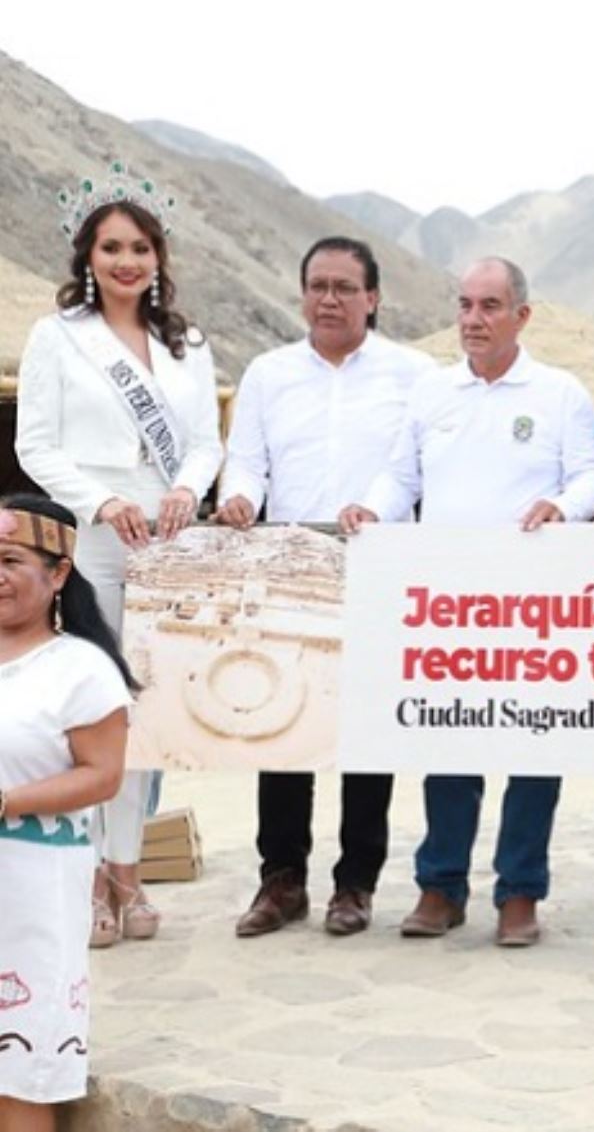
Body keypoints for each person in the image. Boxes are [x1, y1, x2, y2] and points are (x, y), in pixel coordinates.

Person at [339, 258, 594, 947]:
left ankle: (520, 894)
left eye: (489, 305)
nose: (473, 319)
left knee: (533, 744)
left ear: (523, 315)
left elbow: (588, 479)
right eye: (464, 305)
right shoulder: (433, 391)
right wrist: (371, 510)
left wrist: (564, 506)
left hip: (536, 605)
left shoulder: (561, 392)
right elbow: (401, 476)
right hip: (449, 604)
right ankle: (440, 885)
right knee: (448, 737)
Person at [14, 166, 223, 948]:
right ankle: (93, 875)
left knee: (152, 710)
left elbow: (204, 440)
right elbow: (35, 442)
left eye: (140, 247)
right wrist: (100, 502)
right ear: (88, 256)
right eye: (111, 247)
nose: (127, 261)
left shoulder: (188, 343)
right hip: (96, 536)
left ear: (159, 256)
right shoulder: (57, 337)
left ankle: (128, 873)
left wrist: (187, 485)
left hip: (168, 545)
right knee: (101, 706)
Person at [217, 237, 433, 938]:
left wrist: (380, 514)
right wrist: (241, 498)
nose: (330, 298)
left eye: (345, 286)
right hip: (287, 564)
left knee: (366, 727)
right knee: (283, 721)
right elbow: (246, 461)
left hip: (378, 563)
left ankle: (356, 882)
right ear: (302, 292)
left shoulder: (414, 373)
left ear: (373, 297)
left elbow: (420, 467)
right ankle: (281, 880)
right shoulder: (268, 373)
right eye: (318, 285)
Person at [0, 494, 132, 1132]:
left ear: (58, 575)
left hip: (32, 891)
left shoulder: (81, 669)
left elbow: (102, 775)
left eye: (10, 560)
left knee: (21, 1070)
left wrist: (6, 801)